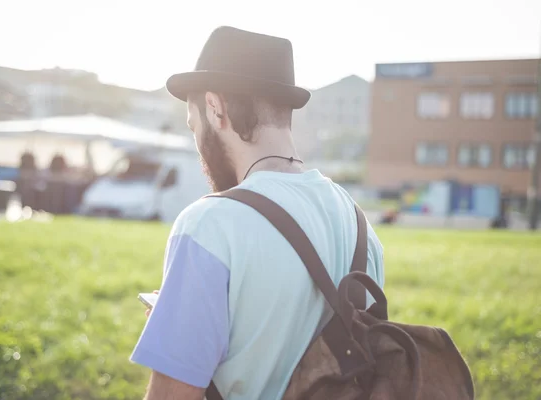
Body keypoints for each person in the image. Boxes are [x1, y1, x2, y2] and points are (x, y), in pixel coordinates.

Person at [130, 26, 385, 400]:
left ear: (215, 108)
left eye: (193, 124)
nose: (197, 142)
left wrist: (177, 335)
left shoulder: (209, 225)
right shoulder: (359, 223)